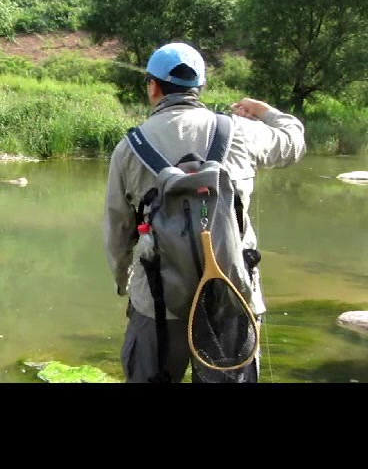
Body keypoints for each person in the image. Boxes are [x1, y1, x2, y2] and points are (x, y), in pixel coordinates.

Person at [103, 42, 306, 383]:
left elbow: (117, 229)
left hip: (157, 299)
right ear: (200, 88)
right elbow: (293, 144)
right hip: (231, 293)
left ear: (152, 87)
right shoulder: (240, 131)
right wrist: (266, 111)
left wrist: (126, 286)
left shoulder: (129, 148)